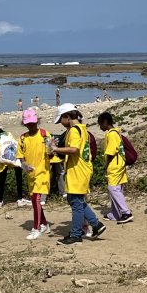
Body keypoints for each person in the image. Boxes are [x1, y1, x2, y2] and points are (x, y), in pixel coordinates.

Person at [52, 103, 106, 245]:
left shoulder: (75, 131)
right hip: (80, 169)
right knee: (74, 200)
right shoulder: (82, 129)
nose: (61, 123)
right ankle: (96, 224)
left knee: (76, 203)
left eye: (61, 120)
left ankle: (76, 234)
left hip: (78, 170)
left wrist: (55, 149)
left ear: (67, 117)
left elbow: (74, 149)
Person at [16, 110, 51, 240]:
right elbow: (21, 156)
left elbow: (51, 152)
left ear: (37, 121)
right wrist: (25, 165)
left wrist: (52, 147)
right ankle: (45, 224)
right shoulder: (23, 138)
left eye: (33, 122)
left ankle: (36, 229)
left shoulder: (44, 134)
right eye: (28, 123)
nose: (31, 125)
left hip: (43, 172)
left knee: (36, 198)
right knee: (34, 200)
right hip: (31, 174)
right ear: (25, 124)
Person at [97, 112, 133, 224]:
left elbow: (112, 151)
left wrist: (106, 161)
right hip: (120, 164)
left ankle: (126, 212)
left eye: (100, 124)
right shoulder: (116, 133)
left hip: (115, 166)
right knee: (118, 189)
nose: (100, 127)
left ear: (105, 122)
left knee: (113, 189)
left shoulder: (111, 134)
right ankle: (115, 213)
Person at [0, 128, 31, 208]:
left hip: (3, 157)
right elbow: (15, 143)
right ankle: (20, 199)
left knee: (2, 180)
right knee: (18, 178)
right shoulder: (9, 134)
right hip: (14, 156)